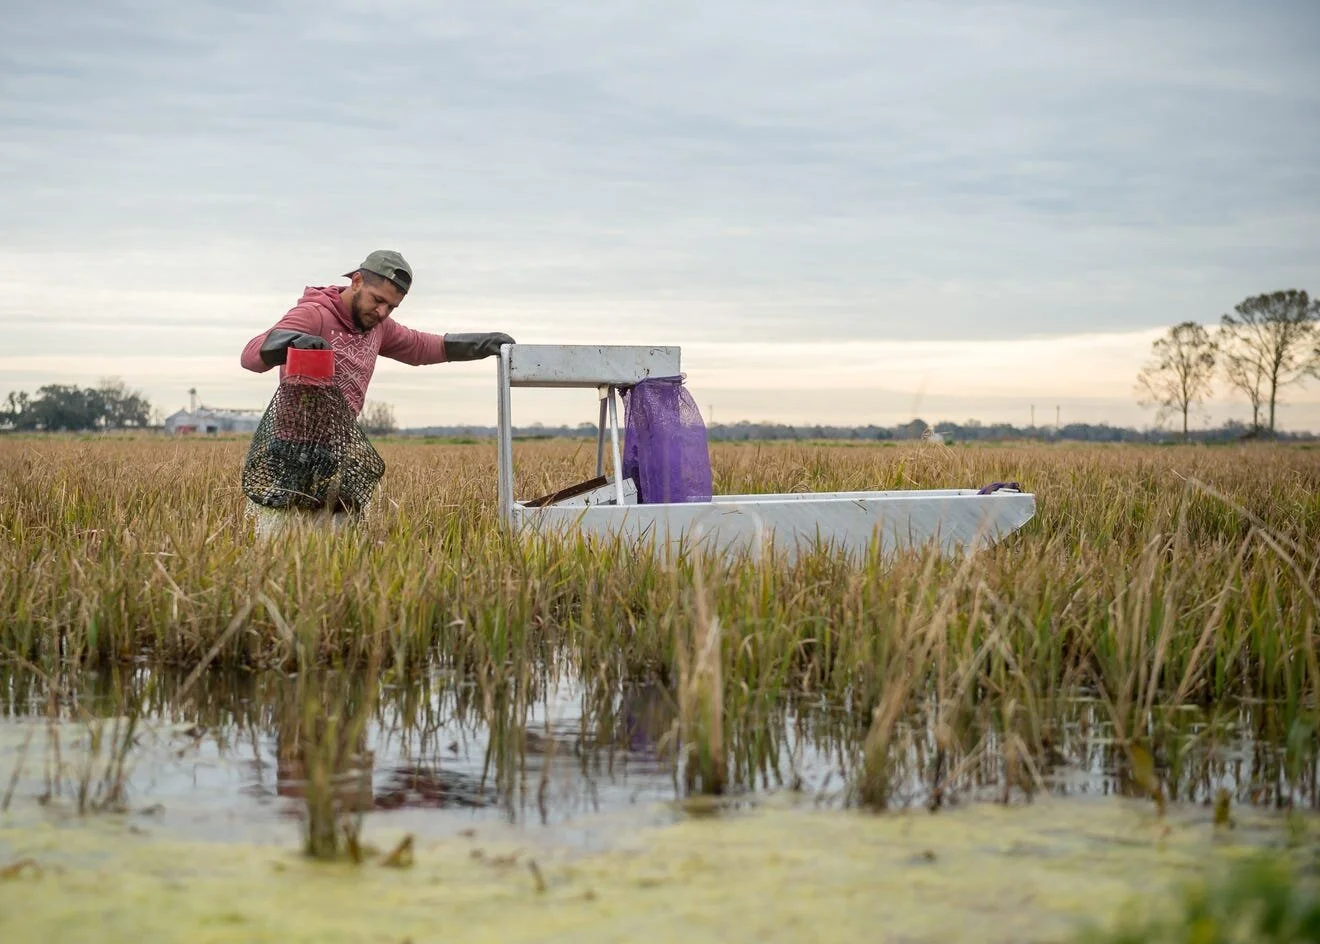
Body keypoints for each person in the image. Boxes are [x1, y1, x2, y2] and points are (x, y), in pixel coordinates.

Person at [240, 249, 515, 411]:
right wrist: (293, 341)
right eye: (378, 300)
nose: (382, 312)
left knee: (345, 512)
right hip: (293, 443)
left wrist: (484, 344)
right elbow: (250, 357)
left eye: (392, 307)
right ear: (357, 281)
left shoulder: (379, 327)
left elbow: (422, 347)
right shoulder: (315, 315)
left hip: (341, 443)